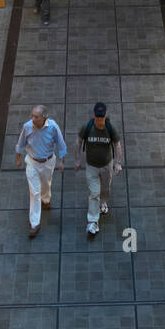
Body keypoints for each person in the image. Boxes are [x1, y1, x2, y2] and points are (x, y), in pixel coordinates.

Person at [15, 105, 67, 238]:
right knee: (34, 192)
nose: (33, 119)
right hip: (32, 162)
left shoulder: (53, 127)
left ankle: (46, 199)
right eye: (32, 115)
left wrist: (62, 161)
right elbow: (21, 143)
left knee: (46, 183)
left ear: (44, 117)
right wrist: (18, 158)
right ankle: (34, 223)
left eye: (36, 117)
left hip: (48, 162)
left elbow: (61, 144)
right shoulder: (27, 127)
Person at [75, 101, 123, 238]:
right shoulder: (88, 127)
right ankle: (92, 222)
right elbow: (78, 142)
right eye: (98, 117)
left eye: (102, 117)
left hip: (106, 165)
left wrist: (118, 163)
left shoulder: (110, 128)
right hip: (91, 166)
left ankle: (104, 203)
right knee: (94, 192)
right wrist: (77, 160)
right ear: (94, 116)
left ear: (105, 116)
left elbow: (117, 145)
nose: (100, 120)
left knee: (105, 189)